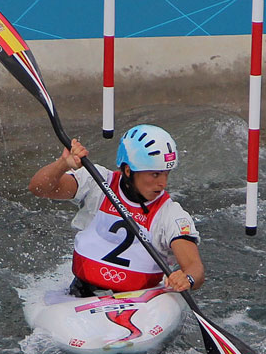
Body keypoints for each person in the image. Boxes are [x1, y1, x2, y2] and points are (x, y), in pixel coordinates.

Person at [28, 124, 205, 297]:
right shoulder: (98, 182)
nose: (163, 183)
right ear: (128, 170)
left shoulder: (171, 214)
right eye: (155, 174)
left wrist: (187, 278)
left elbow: (194, 268)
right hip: (81, 293)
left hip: (140, 301)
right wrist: (63, 164)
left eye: (166, 173)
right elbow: (39, 188)